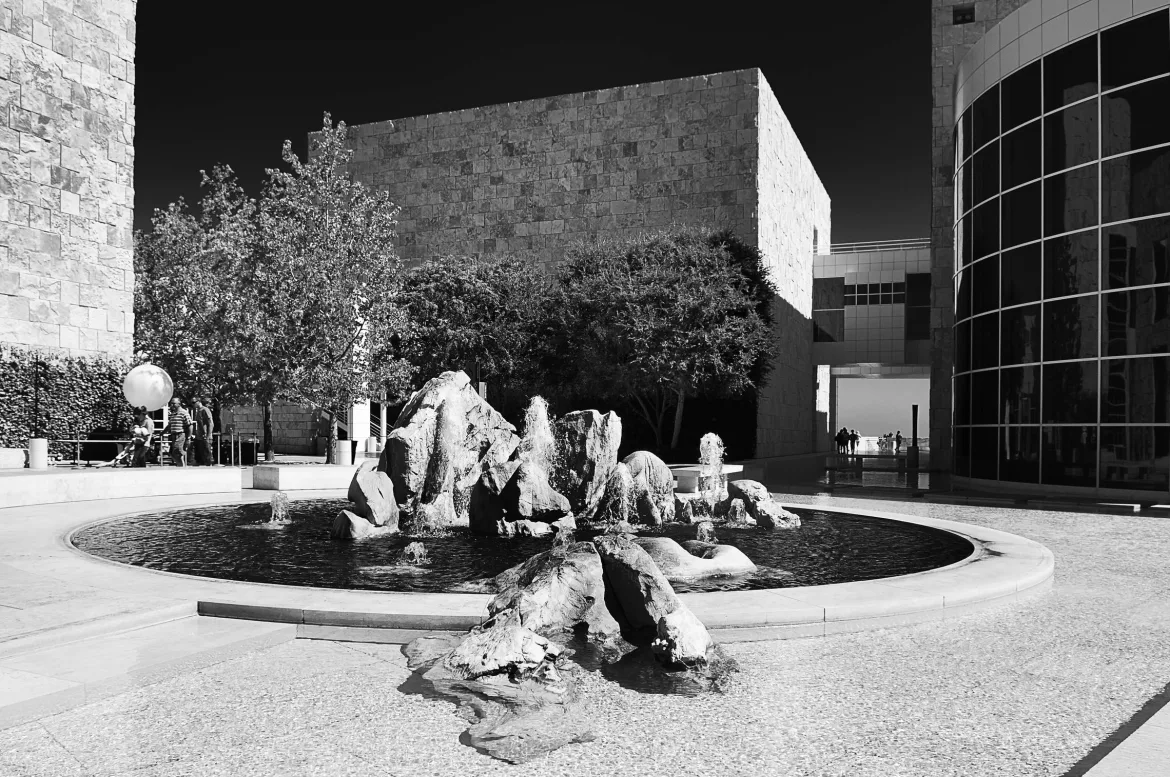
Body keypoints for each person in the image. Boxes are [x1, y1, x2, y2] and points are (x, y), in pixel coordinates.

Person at [166, 397, 192, 467]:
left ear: (179, 404)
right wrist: (162, 433)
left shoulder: (184, 413)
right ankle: (181, 466)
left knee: (177, 452)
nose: (172, 405)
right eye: (171, 403)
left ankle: (182, 467)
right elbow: (170, 425)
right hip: (173, 435)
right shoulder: (173, 414)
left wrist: (188, 438)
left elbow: (190, 425)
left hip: (180, 435)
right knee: (172, 453)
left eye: (174, 403)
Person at [192, 397, 214, 466]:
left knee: (207, 457)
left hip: (205, 438)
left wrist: (207, 436)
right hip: (199, 437)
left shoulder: (205, 410)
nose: (193, 404)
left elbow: (211, 424)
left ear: (198, 401)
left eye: (194, 402)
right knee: (199, 458)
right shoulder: (198, 411)